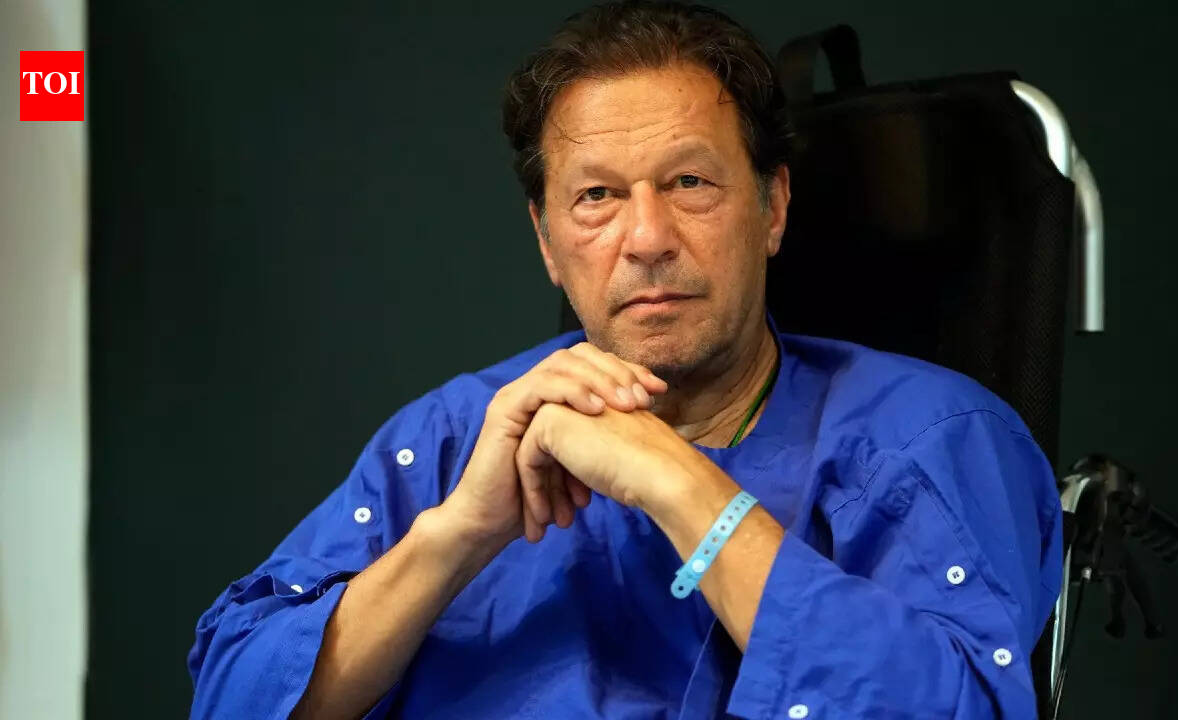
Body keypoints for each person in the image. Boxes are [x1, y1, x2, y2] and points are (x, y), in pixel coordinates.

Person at [187, 2, 1063, 717]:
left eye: (690, 183)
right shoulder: (457, 434)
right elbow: (233, 698)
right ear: (547, 241)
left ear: (772, 208)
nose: (646, 238)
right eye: (598, 195)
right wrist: (458, 535)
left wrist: (681, 487)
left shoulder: (931, 438)